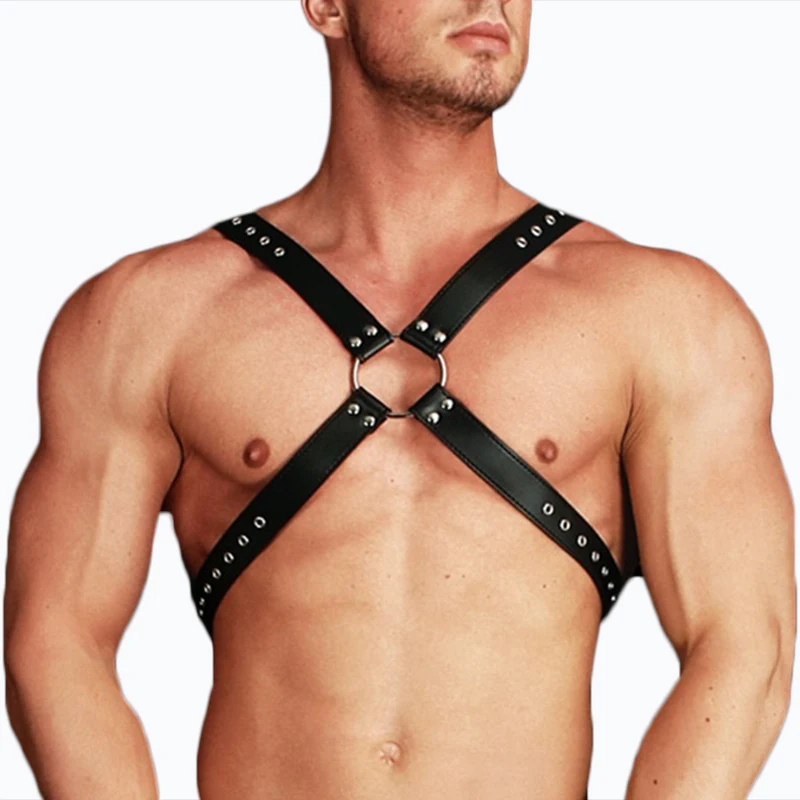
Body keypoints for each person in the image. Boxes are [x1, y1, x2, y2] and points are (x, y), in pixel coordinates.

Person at [4, 1, 795, 798]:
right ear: (327, 7)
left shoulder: (666, 317)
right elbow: (55, 639)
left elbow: (744, 644)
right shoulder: (148, 318)